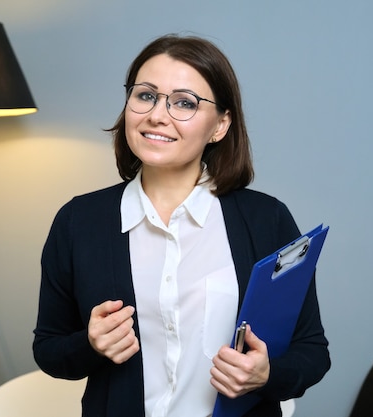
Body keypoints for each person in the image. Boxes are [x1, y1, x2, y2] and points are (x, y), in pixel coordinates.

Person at [33, 34, 330, 417]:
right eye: (145, 95)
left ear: (220, 125)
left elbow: (312, 351)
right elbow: (49, 350)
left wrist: (266, 374)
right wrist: (91, 346)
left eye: (185, 103)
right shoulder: (77, 222)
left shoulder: (266, 220)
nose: (157, 115)